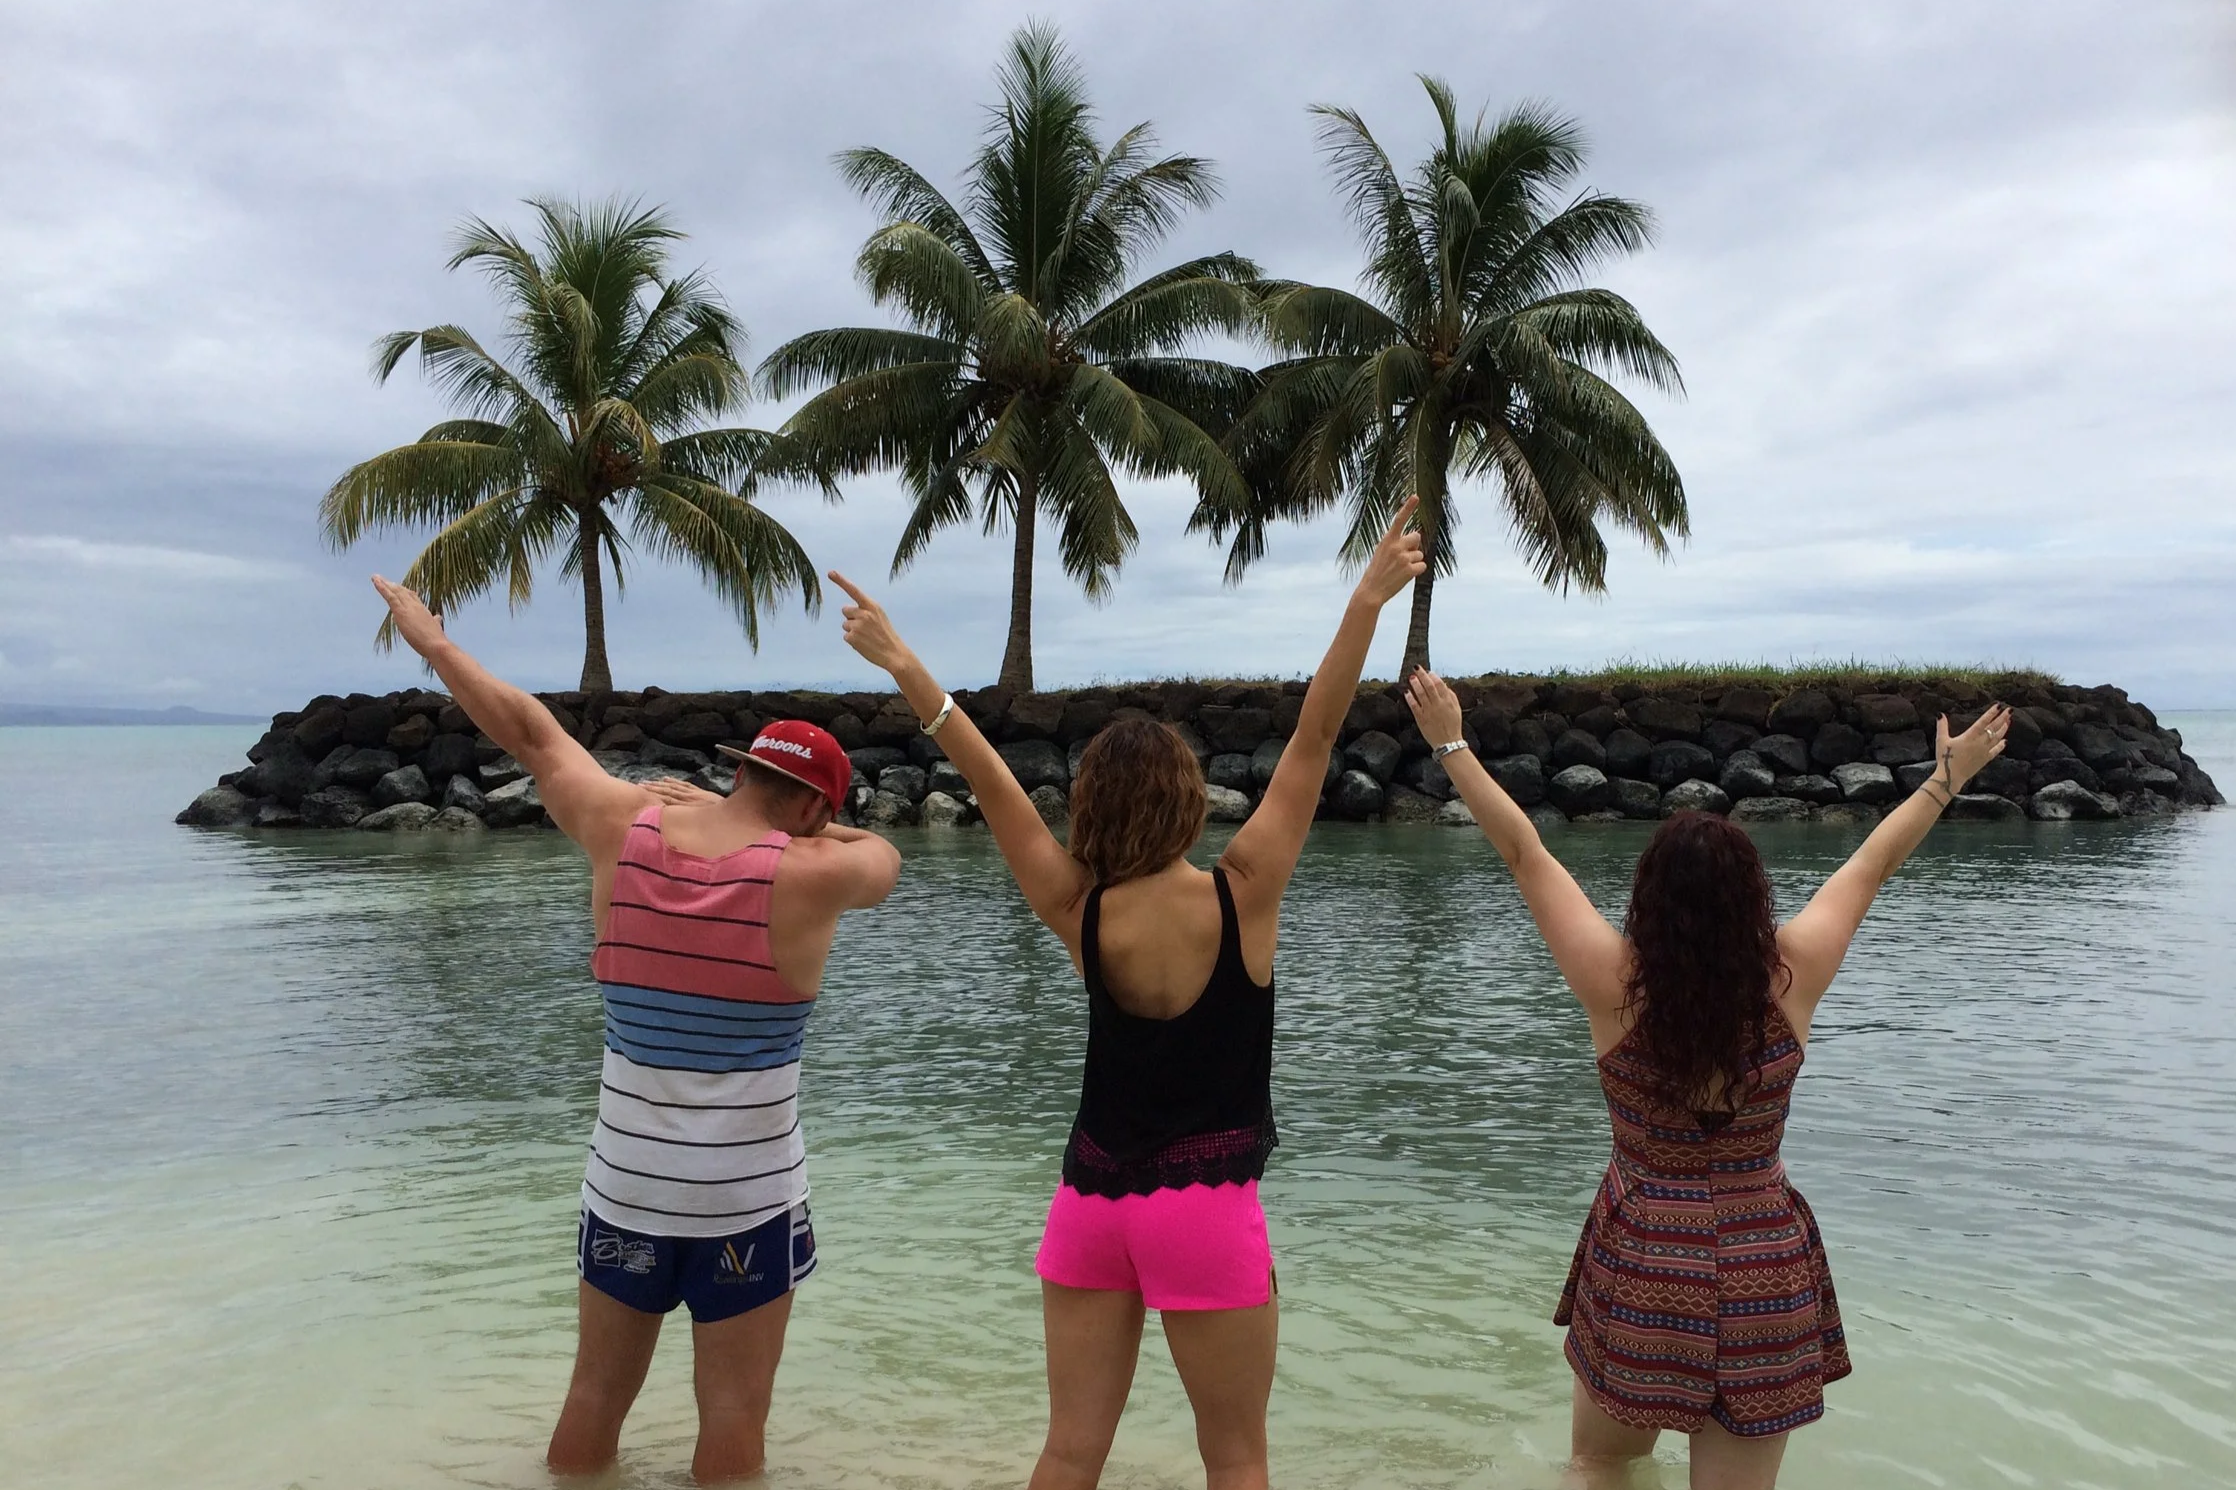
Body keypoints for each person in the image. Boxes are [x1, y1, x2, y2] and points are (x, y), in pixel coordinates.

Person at [824, 500, 1427, 1490]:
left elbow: (991, 780)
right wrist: (1365, 600)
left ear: (1090, 805)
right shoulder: (1243, 893)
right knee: (1236, 1459)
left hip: (1091, 1205)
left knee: (1069, 1451)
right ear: (1189, 799)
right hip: (1205, 1211)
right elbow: (1315, 738)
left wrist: (904, 666)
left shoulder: (1079, 909)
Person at [1402, 669, 2010, 1490]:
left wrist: (1451, 742)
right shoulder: (1793, 974)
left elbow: (1524, 851)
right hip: (1765, 1260)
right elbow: (1871, 865)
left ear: (1648, 900)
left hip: (1647, 1254)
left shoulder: (1615, 986)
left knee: (1600, 1467)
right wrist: (1946, 779)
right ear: (1753, 899)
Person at [368, 576, 902, 1483]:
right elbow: (883, 856)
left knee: (592, 1398)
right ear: (818, 811)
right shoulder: (816, 875)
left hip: (626, 1192)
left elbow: (532, 733)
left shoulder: (621, 826)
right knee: (733, 1414)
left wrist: (434, 643)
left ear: (741, 771)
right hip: (745, 1203)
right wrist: (816, 835)